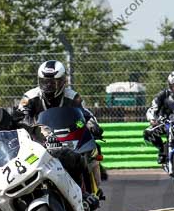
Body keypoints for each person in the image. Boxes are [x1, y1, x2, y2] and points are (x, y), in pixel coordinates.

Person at [16, 60, 107, 194]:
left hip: (68, 135)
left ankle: (94, 188)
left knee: (93, 149)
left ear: (63, 81)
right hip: (40, 138)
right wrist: (31, 128)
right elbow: (20, 117)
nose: (48, 86)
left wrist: (91, 124)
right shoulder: (30, 97)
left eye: (53, 83)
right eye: (44, 82)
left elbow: (85, 114)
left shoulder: (72, 96)